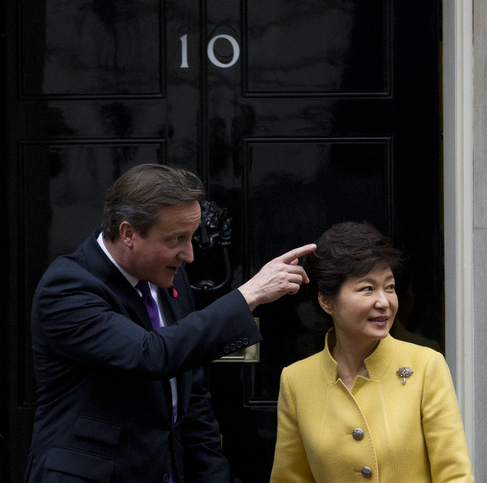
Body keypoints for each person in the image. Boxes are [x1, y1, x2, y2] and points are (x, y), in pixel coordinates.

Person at [25, 163, 316, 483]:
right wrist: (250, 294)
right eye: (177, 239)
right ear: (128, 233)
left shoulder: (169, 280)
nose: (189, 255)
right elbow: (150, 354)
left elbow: (192, 396)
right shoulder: (68, 287)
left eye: (191, 237)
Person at [270, 222, 474, 482]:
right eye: (367, 288)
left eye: (389, 287)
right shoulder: (296, 380)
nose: (384, 301)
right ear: (326, 301)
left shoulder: (426, 366)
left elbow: (454, 474)